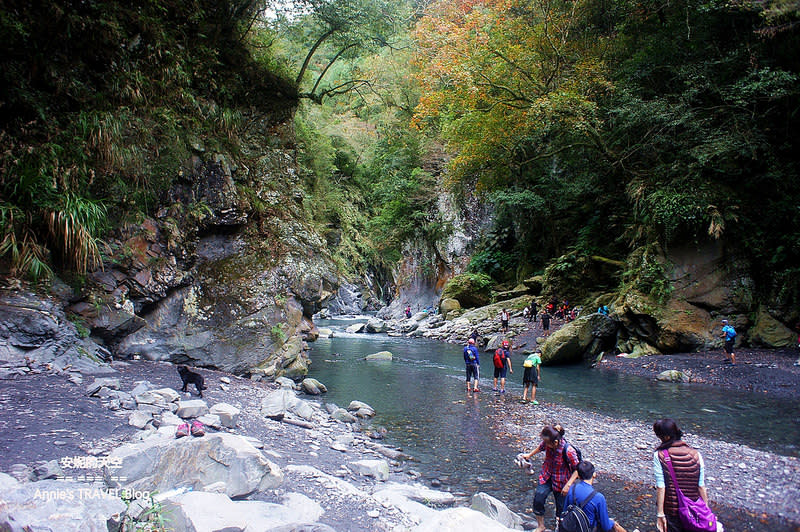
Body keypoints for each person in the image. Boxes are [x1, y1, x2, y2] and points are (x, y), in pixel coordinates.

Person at [652, 418, 710, 532]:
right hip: (693, 507)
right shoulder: (696, 454)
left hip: (672, 509)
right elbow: (701, 486)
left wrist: (660, 514)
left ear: (665, 437)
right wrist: (706, 509)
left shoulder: (660, 455)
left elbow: (661, 486)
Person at [520, 424, 580, 532]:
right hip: (546, 476)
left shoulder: (569, 451)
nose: (545, 444)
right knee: (538, 498)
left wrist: (568, 485)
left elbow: (577, 469)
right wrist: (529, 455)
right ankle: (541, 526)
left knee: (561, 509)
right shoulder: (548, 443)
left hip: (562, 482)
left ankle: (560, 527)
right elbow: (540, 447)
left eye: (547, 443)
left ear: (555, 442)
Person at [563, 461, 628, 532]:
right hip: (588, 529)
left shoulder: (572, 489)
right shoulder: (598, 497)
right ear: (594, 474)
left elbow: (565, 511)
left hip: (571, 527)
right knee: (614, 525)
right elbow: (606, 526)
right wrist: (612, 523)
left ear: (578, 476)